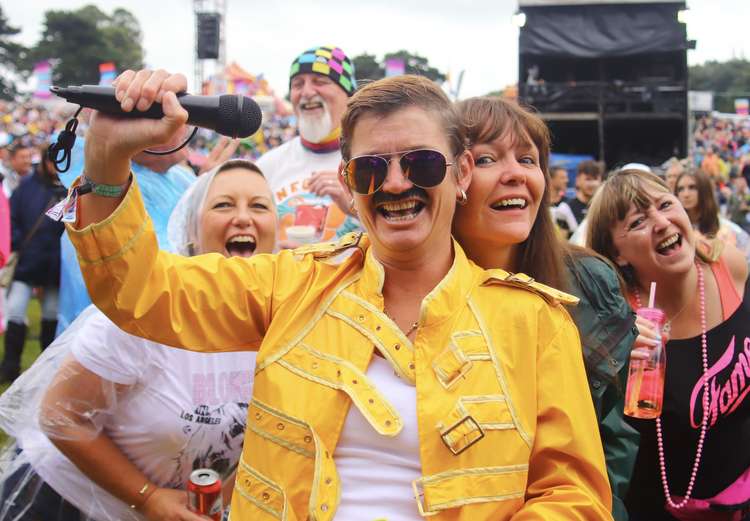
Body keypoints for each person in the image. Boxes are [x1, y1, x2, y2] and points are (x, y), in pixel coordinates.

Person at [63, 69, 613, 520]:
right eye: (371, 169)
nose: (396, 184)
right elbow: (142, 294)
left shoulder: (534, 321)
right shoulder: (292, 283)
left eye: (421, 163)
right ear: (349, 183)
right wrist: (107, 160)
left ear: (461, 172)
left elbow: (573, 497)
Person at [0, 159, 276, 521]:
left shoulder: (282, 322)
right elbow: (61, 415)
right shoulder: (148, 309)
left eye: (259, 206)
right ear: (191, 230)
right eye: (224, 205)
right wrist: (147, 498)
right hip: (62, 500)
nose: (243, 218)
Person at [453, 96, 639, 521]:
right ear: (452, 179)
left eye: (527, 159)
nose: (515, 174)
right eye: (486, 159)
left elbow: (612, 439)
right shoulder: (417, 296)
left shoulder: (592, 283)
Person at [586, 168, 750, 521]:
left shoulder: (730, 268)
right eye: (638, 222)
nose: (661, 222)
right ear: (618, 254)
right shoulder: (617, 322)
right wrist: (618, 362)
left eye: (665, 204)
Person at [55, 128, 196, 333]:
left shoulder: (177, 179)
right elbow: (150, 275)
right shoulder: (108, 195)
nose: (185, 124)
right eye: (168, 114)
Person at [256, 45, 360, 245]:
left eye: (320, 82)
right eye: (297, 84)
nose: (307, 92)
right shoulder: (268, 165)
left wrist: (355, 207)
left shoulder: (371, 160)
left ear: (349, 95)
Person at [0, 146, 67, 383]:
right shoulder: (26, 187)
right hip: (27, 263)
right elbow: (13, 218)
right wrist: (18, 244)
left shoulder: (67, 190)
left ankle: (45, 371)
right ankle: (10, 366)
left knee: (50, 316)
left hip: (54, 265)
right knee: (16, 313)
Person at [674, 168, 750, 261]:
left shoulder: (726, 229)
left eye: (692, 187)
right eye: (680, 189)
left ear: (705, 190)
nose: (685, 194)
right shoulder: (673, 230)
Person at [568, 159, 603, 226]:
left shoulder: (604, 207)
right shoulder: (567, 208)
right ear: (578, 180)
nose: (592, 184)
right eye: (588, 179)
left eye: (595, 179)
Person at [549, 164, 577, 237]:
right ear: (550, 179)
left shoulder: (569, 203)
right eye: (562, 178)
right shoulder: (540, 203)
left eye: (566, 177)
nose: (567, 180)